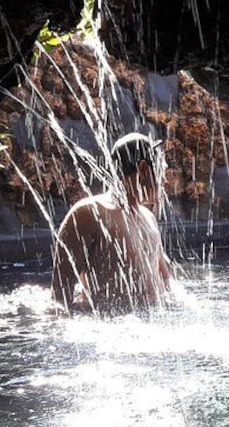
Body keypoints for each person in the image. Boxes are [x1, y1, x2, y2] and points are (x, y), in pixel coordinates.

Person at [51, 132, 174, 314]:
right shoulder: (90, 213)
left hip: (154, 324)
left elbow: (167, 281)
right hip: (112, 330)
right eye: (162, 171)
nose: (165, 180)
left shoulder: (148, 217)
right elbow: (59, 298)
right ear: (143, 169)